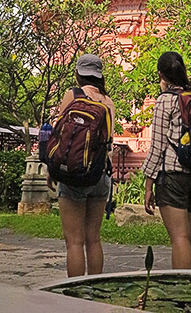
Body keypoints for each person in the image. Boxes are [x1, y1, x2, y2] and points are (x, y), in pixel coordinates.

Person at [142, 51, 191, 269]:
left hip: (172, 175)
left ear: (161, 74)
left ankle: (183, 294)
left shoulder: (166, 101)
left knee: (180, 238)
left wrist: (148, 184)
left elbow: (158, 146)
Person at [48, 53, 115, 277]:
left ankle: (75, 296)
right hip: (99, 175)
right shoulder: (108, 102)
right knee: (93, 239)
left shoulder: (73, 95)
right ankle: (94, 290)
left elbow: (59, 135)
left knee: (74, 242)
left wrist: (51, 167)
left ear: (78, 73)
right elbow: (109, 143)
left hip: (73, 174)